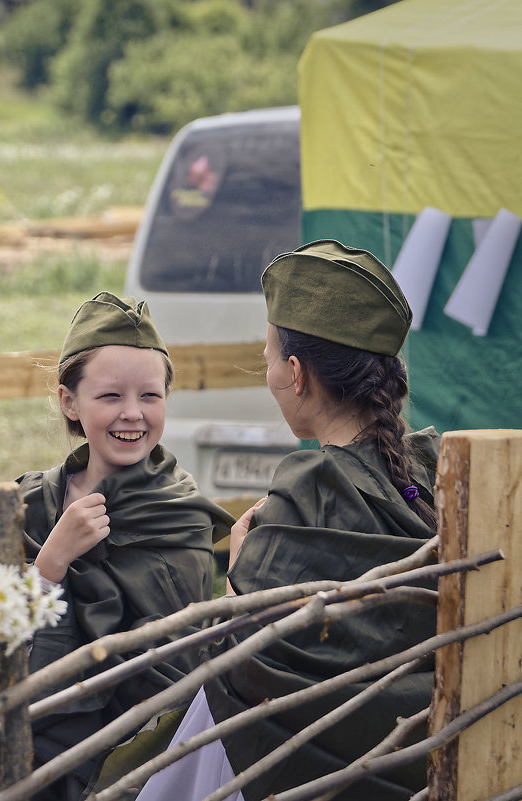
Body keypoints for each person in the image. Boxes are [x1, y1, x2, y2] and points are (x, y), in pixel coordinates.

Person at [135, 240, 440, 801]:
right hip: (428, 760)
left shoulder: (308, 495)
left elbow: (242, 660)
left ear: (296, 373)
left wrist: (241, 565)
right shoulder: (431, 472)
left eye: (271, 356)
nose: (269, 372)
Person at [17, 291, 233, 801]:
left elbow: (180, 657)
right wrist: (52, 559)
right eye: (110, 396)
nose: (132, 414)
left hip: (141, 759)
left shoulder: (179, 514)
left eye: (150, 396)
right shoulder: (30, 502)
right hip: (34, 756)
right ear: (71, 402)